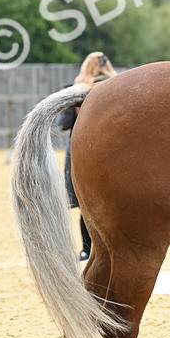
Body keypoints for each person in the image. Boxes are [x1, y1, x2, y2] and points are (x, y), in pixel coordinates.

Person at [55, 51, 116, 261]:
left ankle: (87, 250)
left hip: (82, 151)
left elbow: (62, 124)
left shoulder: (76, 90)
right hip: (112, 151)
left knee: (85, 205)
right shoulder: (117, 87)